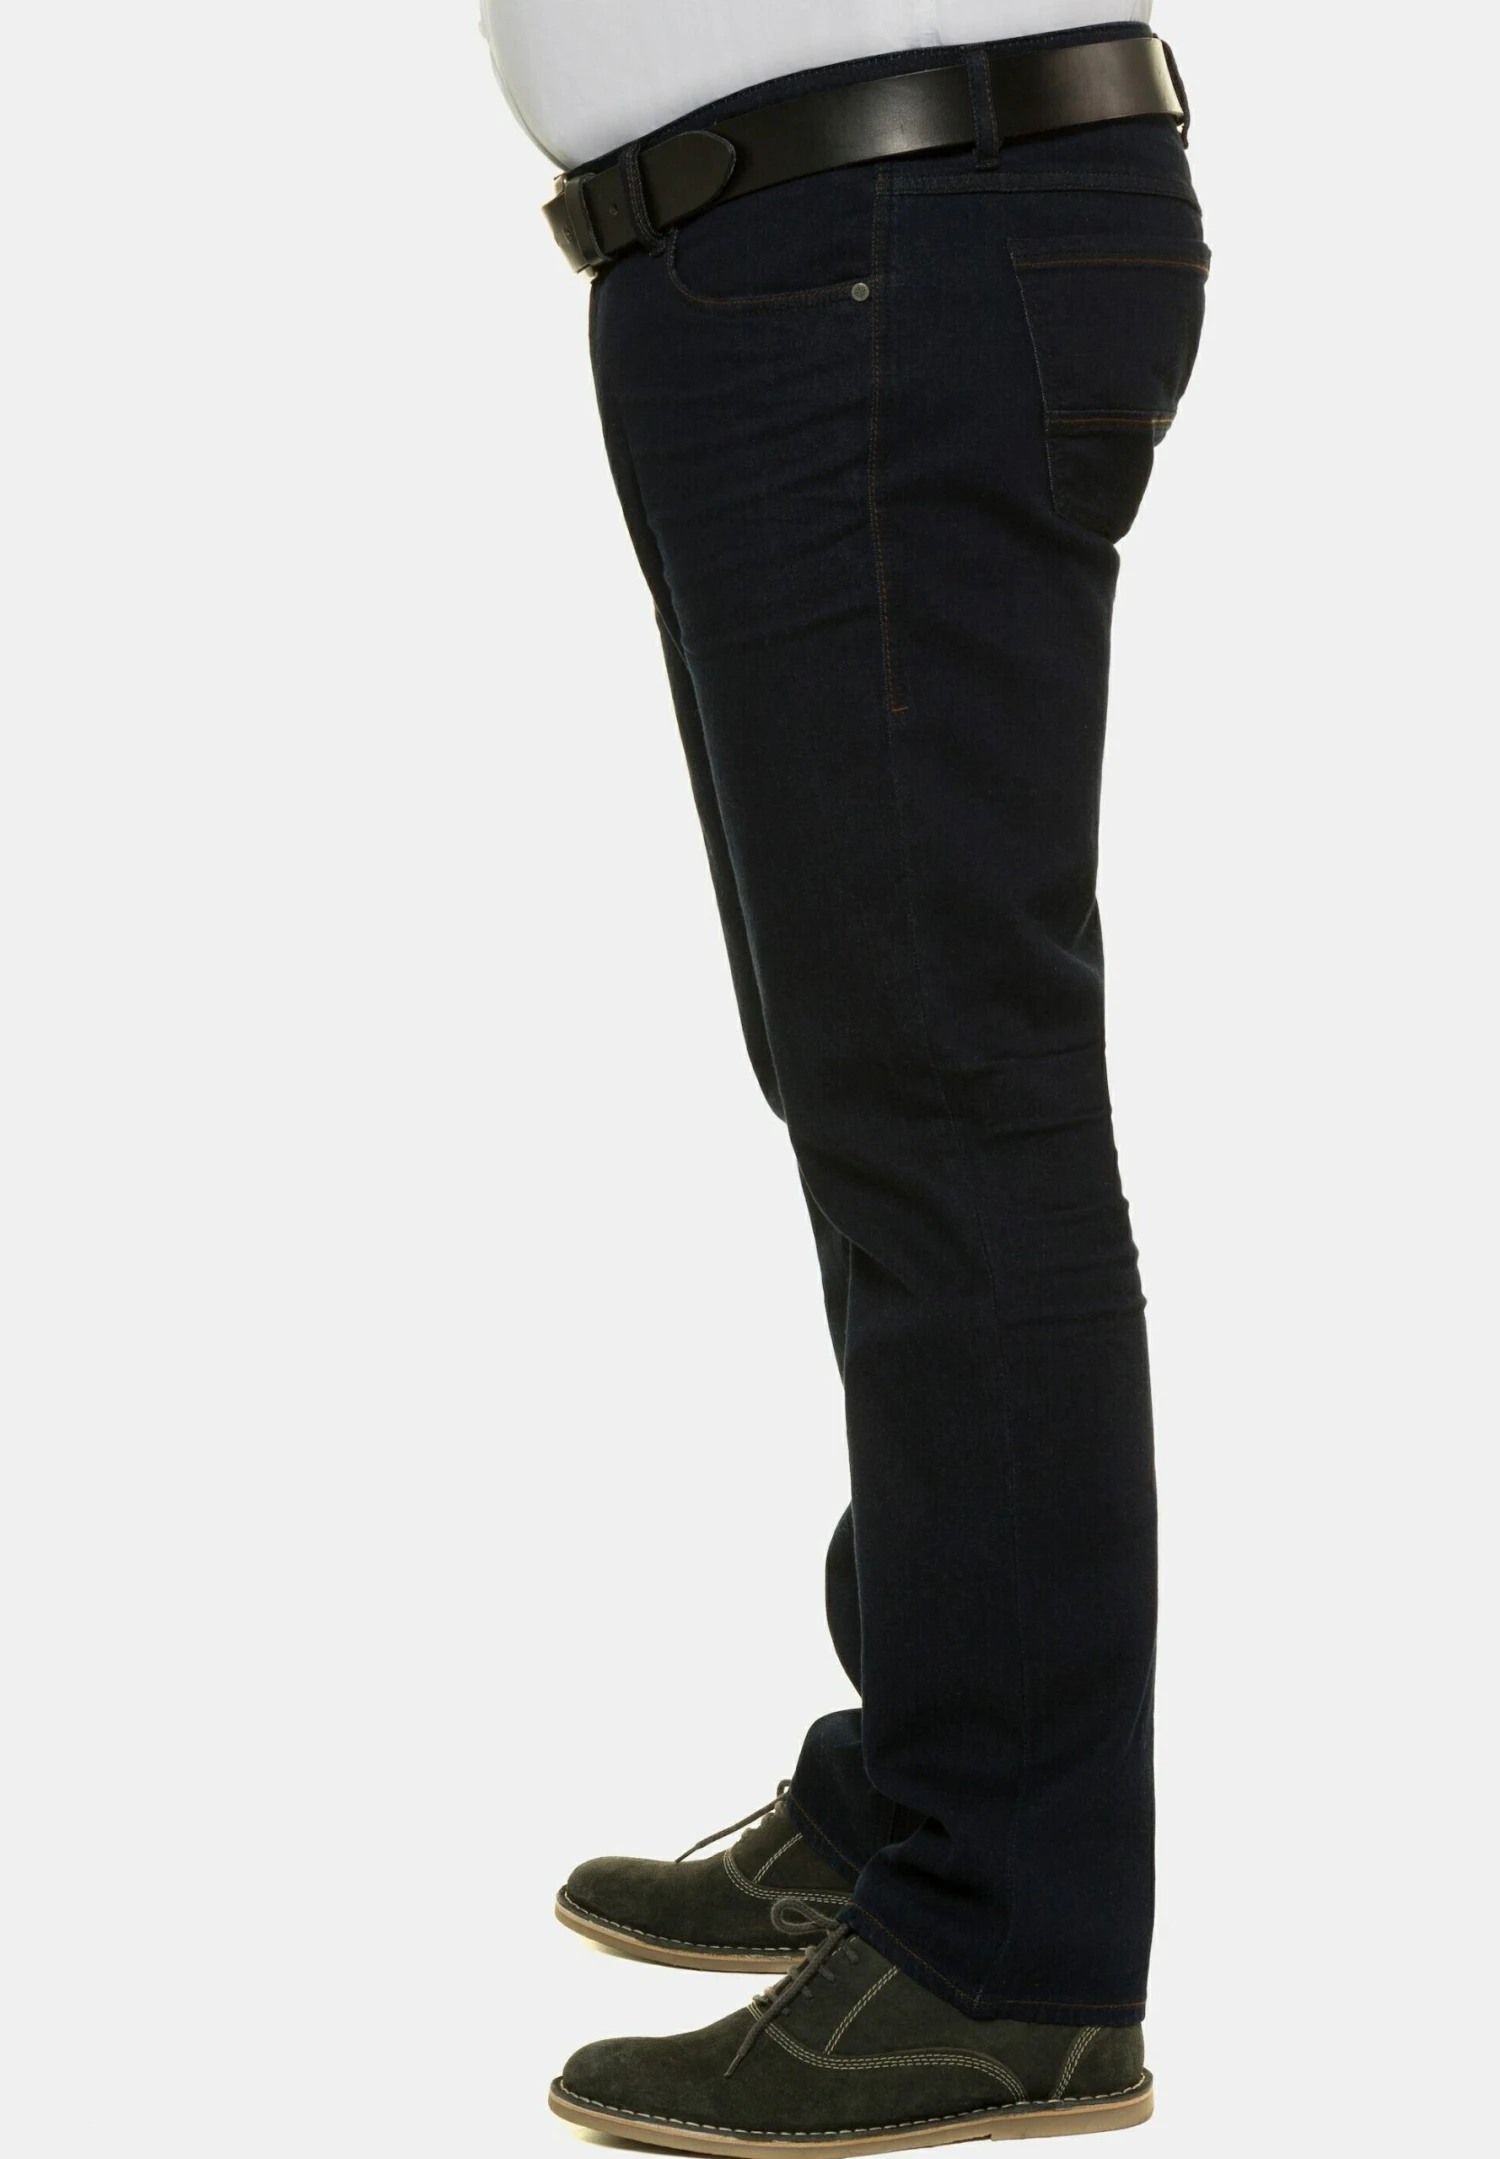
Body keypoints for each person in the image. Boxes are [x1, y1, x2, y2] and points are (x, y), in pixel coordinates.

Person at [482, 5, 1209, 2147]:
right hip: (812, 249)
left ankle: (1008, 1944)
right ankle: (934, 1784)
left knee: (951, 1096)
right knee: (882, 1085)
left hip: (880, 239)